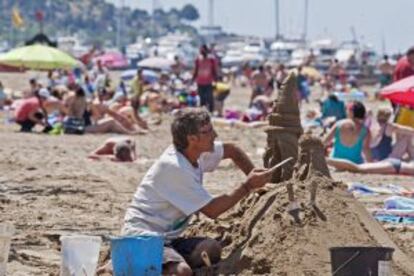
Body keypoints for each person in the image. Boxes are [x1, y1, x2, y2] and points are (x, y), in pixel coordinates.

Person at [99, 108, 274, 275]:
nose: (215, 135)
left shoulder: (196, 152)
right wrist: (248, 186)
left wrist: (257, 180)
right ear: (192, 139)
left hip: (169, 238)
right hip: (144, 237)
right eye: (208, 131)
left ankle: (141, 262)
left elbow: (233, 151)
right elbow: (212, 210)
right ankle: (117, 265)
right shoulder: (175, 167)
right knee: (182, 272)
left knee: (211, 249)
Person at [192, 45, 217, 112]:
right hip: (200, 82)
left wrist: (216, 79)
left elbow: (214, 70)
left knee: (209, 98)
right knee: (202, 98)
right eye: (201, 51)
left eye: (204, 50)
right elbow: (196, 70)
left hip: (209, 82)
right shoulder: (198, 59)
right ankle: (203, 112)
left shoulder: (211, 59)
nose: (203, 52)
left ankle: (211, 111)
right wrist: (193, 79)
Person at [326, 157, 414, 175]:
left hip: (395, 164)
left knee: (358, 167)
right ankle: (326, 160)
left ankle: (327, 160)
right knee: (358, 168)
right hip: (395, 166)